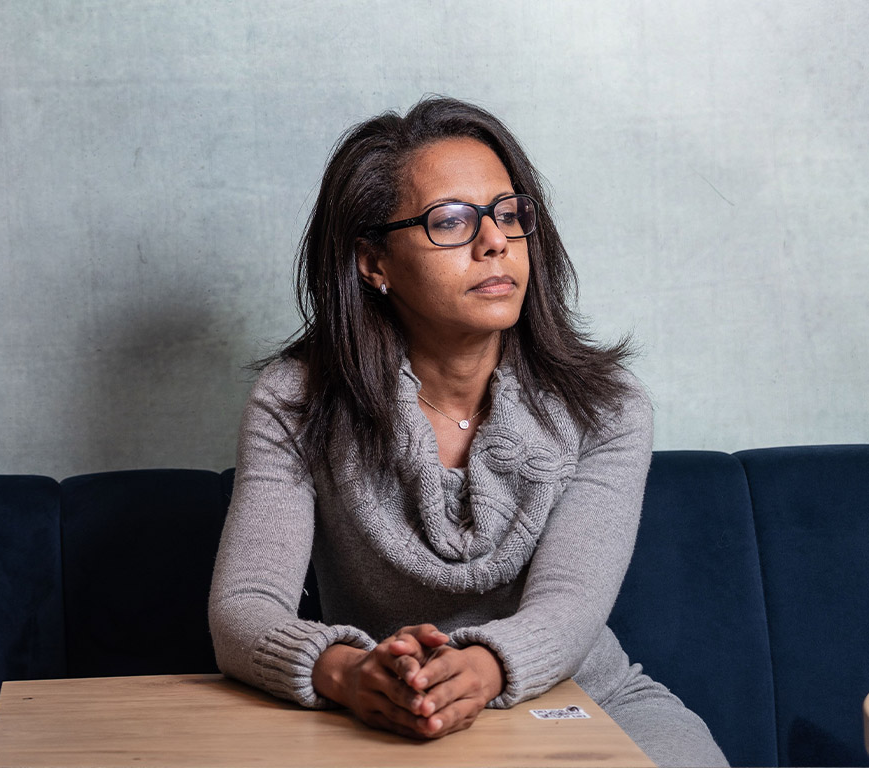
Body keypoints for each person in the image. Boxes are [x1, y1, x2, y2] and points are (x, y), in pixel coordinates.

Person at [208, 96, 727, 767]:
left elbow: (569, 606)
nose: (496, 242)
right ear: (374, 263)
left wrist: (483, 670)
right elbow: (244, 608)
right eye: (451, 221)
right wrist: (348, 673)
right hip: (388, 712)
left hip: (577, 698)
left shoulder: (607, 406)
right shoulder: (297, 400)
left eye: (509, 215)